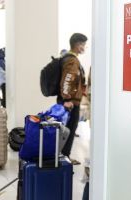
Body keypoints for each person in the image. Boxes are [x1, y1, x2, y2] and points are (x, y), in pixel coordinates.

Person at [59, 33, 87, 165]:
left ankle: (64, 155)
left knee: (67, 130)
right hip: (70, 102)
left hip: (70, 101)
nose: (84, 47)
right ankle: (65, 156)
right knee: (69, 130)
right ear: (77, 44)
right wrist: (67, 99)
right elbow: (67, 80)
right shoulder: (72, 60)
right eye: (83, 44)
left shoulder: (70, 58)